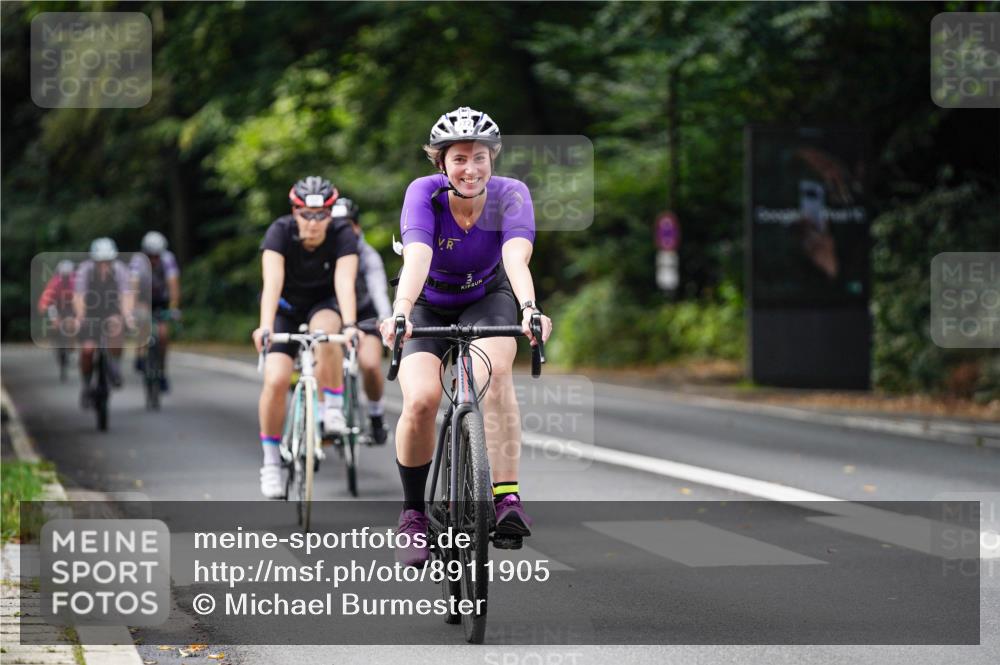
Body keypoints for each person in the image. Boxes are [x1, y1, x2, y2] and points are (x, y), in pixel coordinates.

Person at [379, 106, 552, 566]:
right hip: (427, 300)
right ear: (441, 163)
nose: (470, 168)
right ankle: (413, 515)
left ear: (493, 159)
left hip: (486, 296)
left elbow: (516, 258)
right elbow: (416, 257)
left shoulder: (511, 194)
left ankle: (507, 498)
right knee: (421, 400)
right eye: (459, 158)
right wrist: (400, 312)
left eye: (479, 157)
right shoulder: (423, 193)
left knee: (494, 377)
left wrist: (530, 309)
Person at [252, 176, 360, 499]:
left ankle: (333, 407)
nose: (313, 223)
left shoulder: (343, 234)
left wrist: (351, 324)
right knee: (275, 380)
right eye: (306, 215)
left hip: (322, 305)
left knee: (326, 332)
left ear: (331, 214)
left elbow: (345, 281)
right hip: (285, 308)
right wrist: (265, 326)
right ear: (294, 212)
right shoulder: (279, 232)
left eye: (321, 215)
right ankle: (271, 463)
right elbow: (272, 282)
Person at [332, 196, 392, 445]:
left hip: (365, 316)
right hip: (332, 315)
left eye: (346, 225)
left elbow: (378, 290)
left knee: (370, 364)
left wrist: (386, 320)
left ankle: (376, 417)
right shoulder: (322, 249)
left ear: (356, 227)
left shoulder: (367, 254)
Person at [74, 238, 134, 408]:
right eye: (100, 262)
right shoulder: (85, 271)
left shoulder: (120, 270)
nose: (104, 265)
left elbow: (126, 295)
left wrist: (127, 316)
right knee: (87, 350)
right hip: (90, 313)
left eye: (107, 261)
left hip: (111, 311)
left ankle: (114, 366)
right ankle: (86, 385)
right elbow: (79, 296)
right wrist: (80, 317)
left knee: (116, 328)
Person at [130, 231, 181, 391]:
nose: (153, 260)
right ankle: (139, 354)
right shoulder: (138, 261)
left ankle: (162, 372)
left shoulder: (168, 259)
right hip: (143, 298)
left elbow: (173, 284)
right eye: (150, 256)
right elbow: (133, 286)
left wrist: (174, 307)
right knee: (142, 320)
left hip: (161, 299)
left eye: (156, 256)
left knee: (163, 335)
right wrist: (133, 309)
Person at [38, 259, 77, 342]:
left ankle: (71, 343)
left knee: (71, 325)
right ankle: (55, 338)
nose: (65, 278)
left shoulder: (75, 282)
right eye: (63, 275)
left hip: (71, 305)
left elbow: (79, 299)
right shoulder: (55, 282)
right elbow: (47, 296)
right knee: (55, 323)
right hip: (56, 305)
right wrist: (42, 306)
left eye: (68, 275)